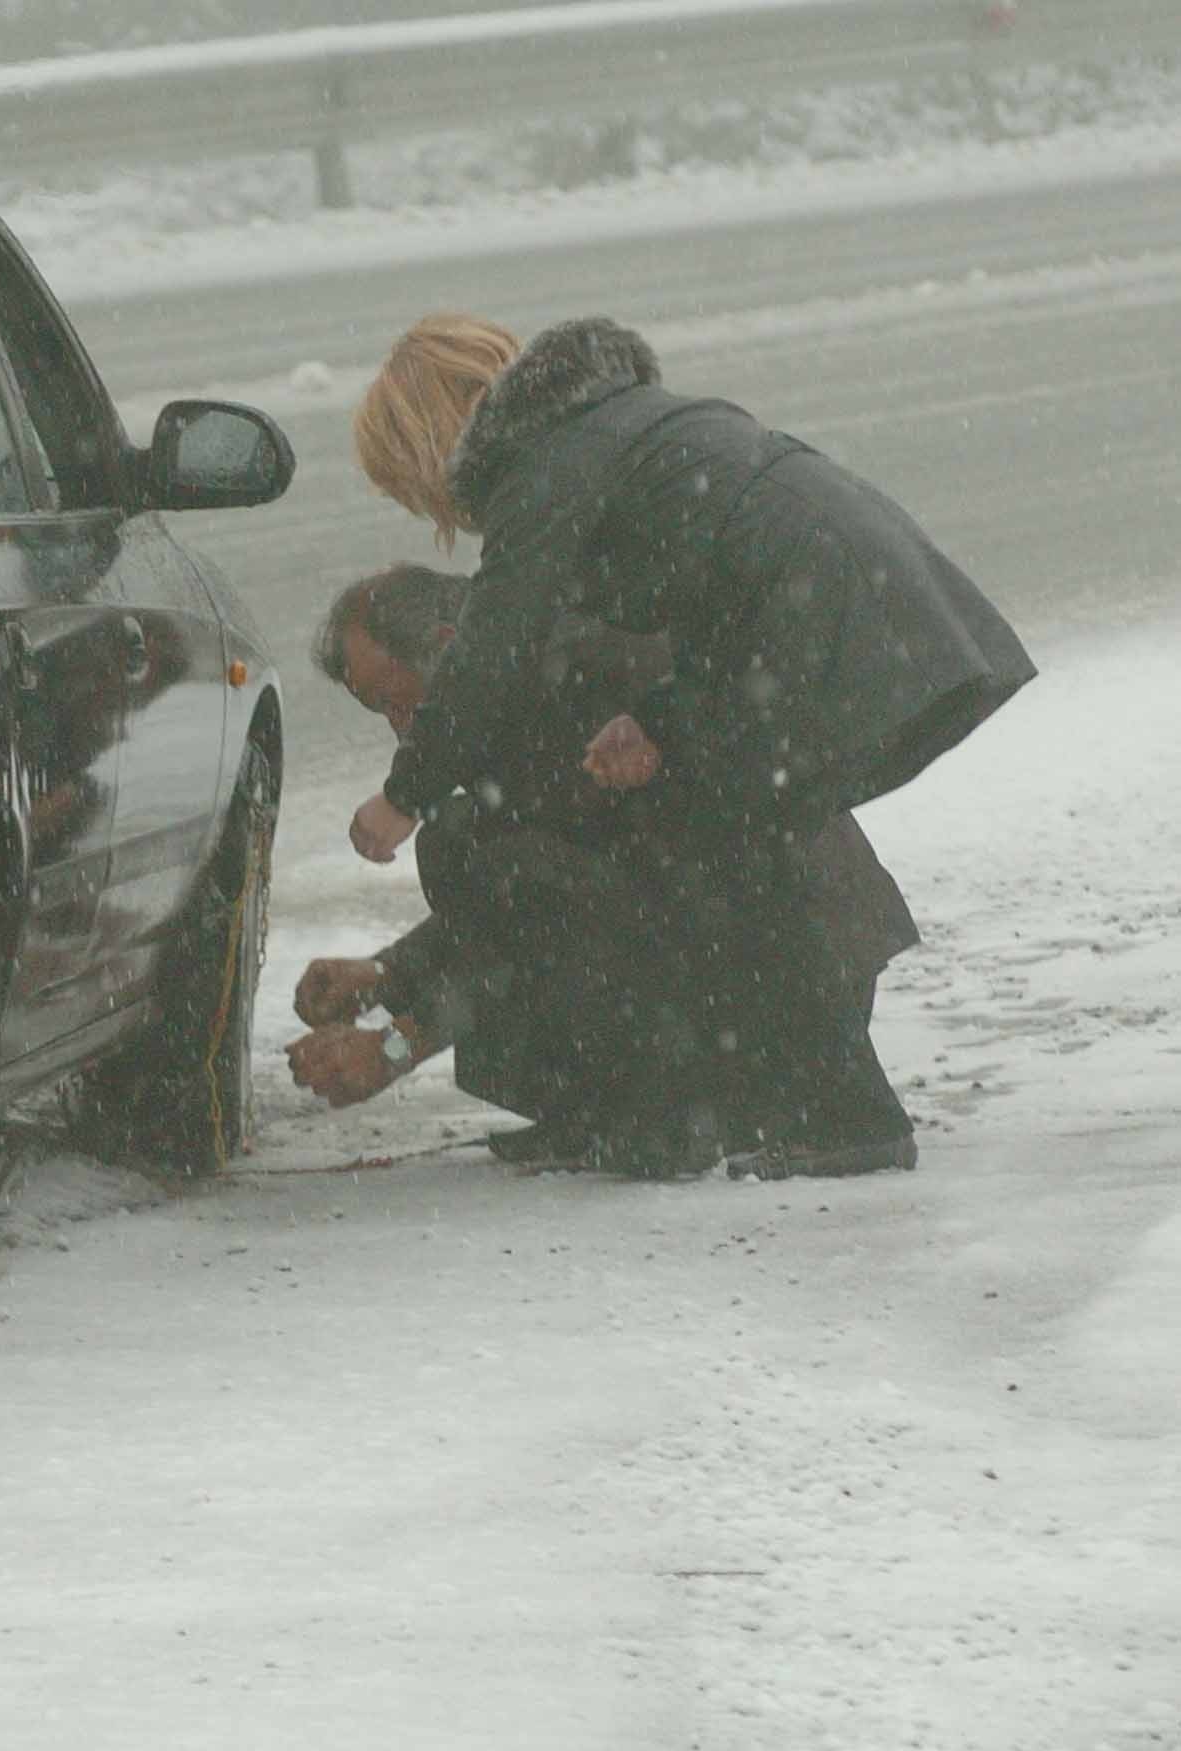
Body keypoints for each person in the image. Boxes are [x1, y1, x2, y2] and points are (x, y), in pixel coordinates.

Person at [340, 314, 1034, 1177]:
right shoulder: (604, 429)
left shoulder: (543, 470)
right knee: (723, 846)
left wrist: (403, 795)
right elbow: (703, 599)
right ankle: (764, 1111)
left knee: (724, 853)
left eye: (416, 490)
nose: (438, 515)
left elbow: (493, 652)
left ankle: (821, 1121)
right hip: (854, 597)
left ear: (431, 443)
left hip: (822, 618)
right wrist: (659, 723)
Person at [287, 564, 919, 1176]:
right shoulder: (525, 669)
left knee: (465, 852)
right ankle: (621, 1110)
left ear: (450, 649)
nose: (402, 732)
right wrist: (385, 976)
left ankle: (664, 1115)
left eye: (399, 705)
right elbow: (520, 910)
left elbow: (524, 923)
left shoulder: (561, 688)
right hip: (750, 950)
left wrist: (392, 1049)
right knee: (469, 852)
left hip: (789, 977)